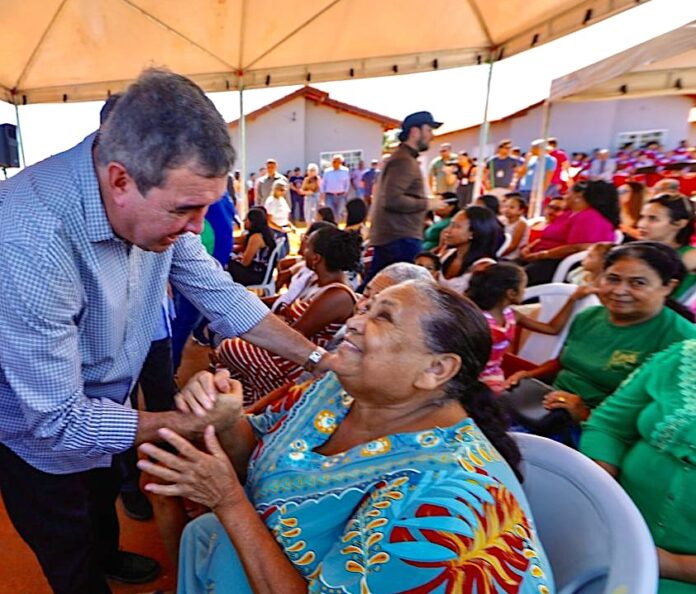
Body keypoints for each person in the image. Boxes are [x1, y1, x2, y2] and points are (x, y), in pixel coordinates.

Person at [0, 69, 335, 594]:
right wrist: (192, 423)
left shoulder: (158, 194)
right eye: (185, 210)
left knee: (102, 497)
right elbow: (59, 421)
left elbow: (222, 295)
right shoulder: (31, 241)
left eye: (206, 207)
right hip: (38, 435)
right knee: (68, 549)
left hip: (106, 404)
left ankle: (109, 553)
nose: (197, 227)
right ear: (119, 180)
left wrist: (321, 360)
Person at [139, 282, 555, 594]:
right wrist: (229, 420)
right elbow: (259, 453)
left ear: (436, 370)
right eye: (365, 307)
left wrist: (229, 501)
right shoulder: (337, 388)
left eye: (382, 317)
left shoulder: (449, 498)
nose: (354, 321)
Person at [505, 242, 696, 431]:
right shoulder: (589, 317)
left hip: (602, 430)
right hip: (546, 407)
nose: (619, 291)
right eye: (613, 279)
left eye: (638, 283)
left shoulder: (683, 341)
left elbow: (661, 419)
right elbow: (565, 361)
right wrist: (530, 375)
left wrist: (584, 413)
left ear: (668, 287)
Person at [580, 339, 696, 594]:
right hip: (606, 534)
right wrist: (600, 498)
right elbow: (608, 426)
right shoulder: (683, 357)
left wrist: (673, 564)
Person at [215, 226, 363, 404]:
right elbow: (284, 306)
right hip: (284, 348)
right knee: (229, 344)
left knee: (229, 346)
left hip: (294, 360)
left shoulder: (338, 295)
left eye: (307, 248)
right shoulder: (315, 281)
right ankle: (245, 401)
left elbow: (297, 332)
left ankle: (253, 403)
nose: (303, 251)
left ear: (316, 258)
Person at [467, 263, 592, 394]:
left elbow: (552, 329)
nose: (525, 291)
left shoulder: (512, 315)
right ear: (511, 293)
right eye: (523, 288)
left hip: (493, 374)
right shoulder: (478, 320)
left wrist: (572, 299)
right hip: (471, 375)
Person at [365, 111, 445, 285]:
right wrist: (427, 203)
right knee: (401, 289)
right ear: (415, 132)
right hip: (400, 237)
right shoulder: (404, 161)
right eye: (429, 130)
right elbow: (392, 200)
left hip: (395, 236)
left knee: (377, 286)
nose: (432, 136)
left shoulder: (401, 158)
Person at [520, 181, 619, 286]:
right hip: (540, 258)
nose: (564, 197)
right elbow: (548, 237)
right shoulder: (569, 214)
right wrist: (529, 247)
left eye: (567, 193)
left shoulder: (589, 217)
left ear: (578, 196)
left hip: (556, 264)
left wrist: (540, 255)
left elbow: (575, 248)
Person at [637, 193, 696, 301]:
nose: (641, 224)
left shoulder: (690, 257)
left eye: (653, 218)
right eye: (641, 217)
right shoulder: (635, 251)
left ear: (679, 223)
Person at [438, 206, 500, 294]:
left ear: (473, 233)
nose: (447, 230)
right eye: (450, 224)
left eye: (456, 226)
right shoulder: (447, 255)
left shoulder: (484, 267)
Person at [228, 207, 277, 286]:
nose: (244, 221)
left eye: (246, 219)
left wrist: (237, 258)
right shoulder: (264, 233)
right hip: (261, 272)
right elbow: (235, 240)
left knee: (225, 264)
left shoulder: (256, 238)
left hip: (255, 274)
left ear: (253, 221)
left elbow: (245, 263)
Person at [320, 154, 351, 222]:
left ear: (340, 162)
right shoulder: (327, 172)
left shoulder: (345, 171)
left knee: (339, 212)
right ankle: (332, 225)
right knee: (330, 212)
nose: (334, 163)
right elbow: (323, 184)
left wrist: (346, 192)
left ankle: (336, 225)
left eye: (336, 161)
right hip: (329, 195)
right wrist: (322, 196)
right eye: (333, 161)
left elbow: (347, 183)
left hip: (341, 195)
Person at [500, 193, 529, 259]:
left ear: (521, 211)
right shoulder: (503, 221)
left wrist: (498, 254)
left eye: (511, 207)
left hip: (512, 256)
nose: (507, 209)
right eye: (505, 206)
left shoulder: (521, 223)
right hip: (502, 252)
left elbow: (513, 246)